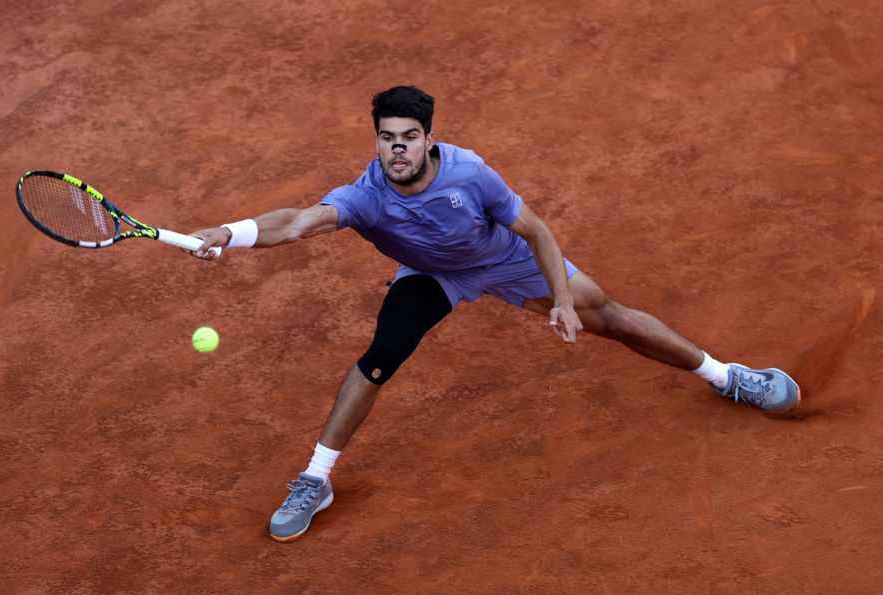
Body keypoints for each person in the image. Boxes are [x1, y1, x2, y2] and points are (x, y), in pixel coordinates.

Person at [187, 85, 800, 542]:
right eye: (385, 137)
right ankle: (316, 479)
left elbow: (537, 232)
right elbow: (296, 223)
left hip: (504, 261)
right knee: (382, 356)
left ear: (429, 138)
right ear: (374, 140)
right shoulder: (365, 195)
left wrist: (561, 301)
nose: (396, 148)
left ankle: (726, 377)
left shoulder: (469, 174)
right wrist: (226, 231)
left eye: (407, 136)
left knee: (608, 316)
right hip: (432, 275)